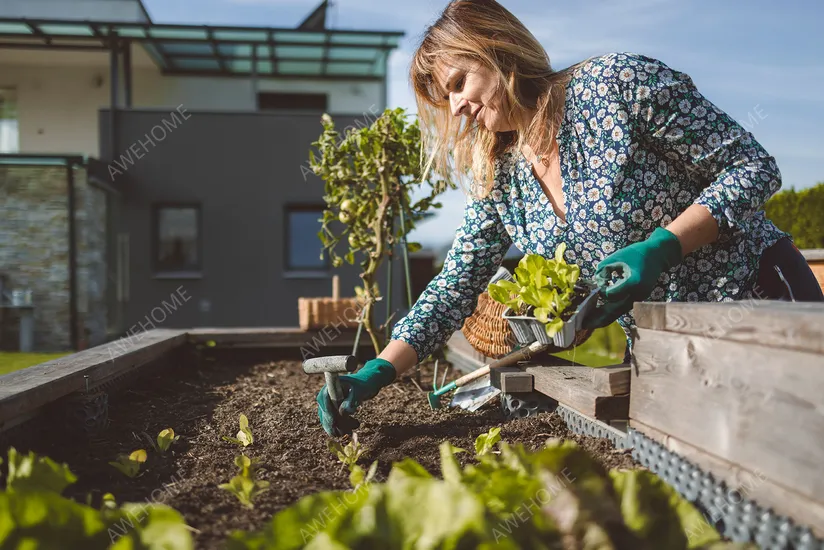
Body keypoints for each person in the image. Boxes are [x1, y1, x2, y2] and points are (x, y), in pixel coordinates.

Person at [316, 0, 824, 437]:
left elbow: (751, 167)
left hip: (756, 304)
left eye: (457, 83)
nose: (456, 107)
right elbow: (454, 285)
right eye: (443, 99)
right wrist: (379, 371)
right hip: (662, 344)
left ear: (495, 47)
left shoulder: (619, 86)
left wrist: (664, 245)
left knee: (798, 468)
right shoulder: (501, 174)